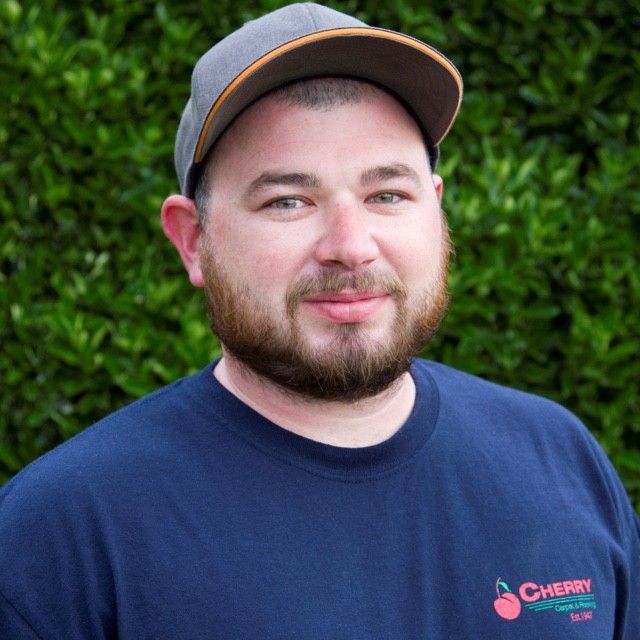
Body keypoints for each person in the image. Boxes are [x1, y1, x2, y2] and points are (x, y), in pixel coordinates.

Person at [1, 3, 638, 638]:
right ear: (193, 240)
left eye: (386, 194)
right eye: (288, 201)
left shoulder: (561, 460)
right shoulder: (58, 537)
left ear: (436, 210)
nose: (351, 244)